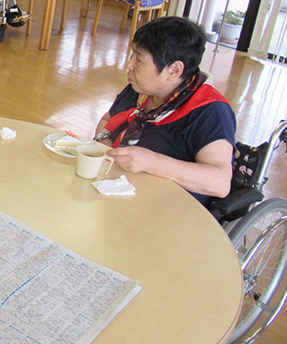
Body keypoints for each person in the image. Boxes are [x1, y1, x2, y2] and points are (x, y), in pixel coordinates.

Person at [94, 16, 236, 204]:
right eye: (132, 56)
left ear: (174, 70)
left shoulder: (209, 111)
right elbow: (107, 121)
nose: (129, 65)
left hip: (167, 207)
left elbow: (220, 182)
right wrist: (104, 144)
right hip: (117, 190)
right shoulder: (140, 89)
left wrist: (152, 163)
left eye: (139, 60)